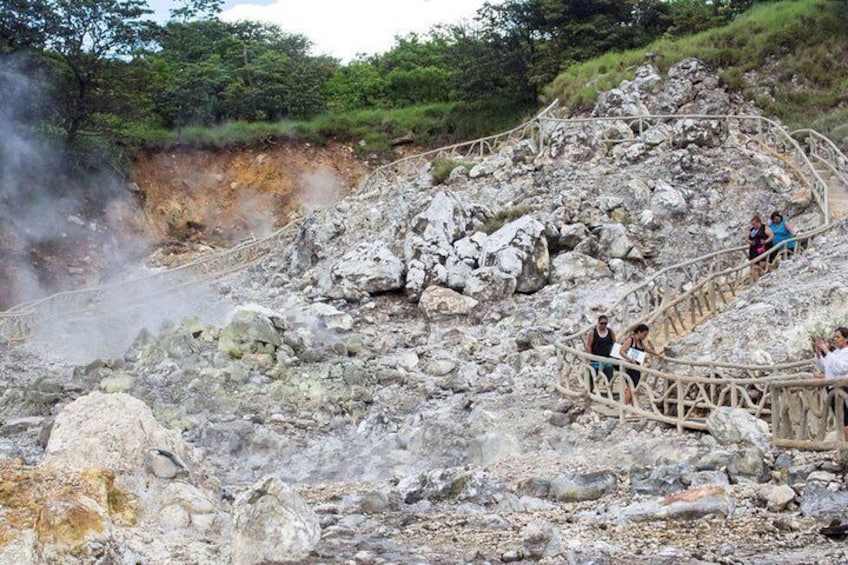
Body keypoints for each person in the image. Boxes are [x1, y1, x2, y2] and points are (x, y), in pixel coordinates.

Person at [813, 327, 848, 439]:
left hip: (844, 387)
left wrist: (827, 351)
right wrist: (819, 354)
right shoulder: (837, 352)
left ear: (846, 338)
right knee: (841, 419)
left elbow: (840, 368)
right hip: (832, 388)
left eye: (838, 337)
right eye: (835, 337)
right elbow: (826, 366)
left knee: (846, 419)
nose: (835, 339)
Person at [619, 323, 660, 404]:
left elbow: (646, 349)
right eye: (644, 334)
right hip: (630, 367)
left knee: (634, 387)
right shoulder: (630, 340)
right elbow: (621, 351)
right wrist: (630, 359)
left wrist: (656, 354)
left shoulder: (640, 342)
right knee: (631, 388)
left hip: (637, 367)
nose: (645, 336)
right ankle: (624, 407)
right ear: (639, 332)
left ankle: (631, 407)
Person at [587, 315, 616, 383]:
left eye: (605, 323)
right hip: (595, 360)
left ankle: (609, 392)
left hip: (607, 359)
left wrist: (614, 357)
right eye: (601, 323)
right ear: (598, 323)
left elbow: (615, 344)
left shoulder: (610, 332)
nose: (603, 325)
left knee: (610, 378)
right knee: (592, 379)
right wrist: (589, 358)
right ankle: (590, 391)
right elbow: (589, 346)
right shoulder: (593, 333)